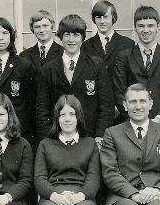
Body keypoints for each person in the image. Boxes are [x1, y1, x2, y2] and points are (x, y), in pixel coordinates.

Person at [36, 14, 114, 144]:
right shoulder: (48, 69)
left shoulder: (96, 65)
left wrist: (100, 136)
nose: (71, 40)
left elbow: (106, 105)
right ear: (60, 37)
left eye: (76, 35)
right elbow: (42, 110)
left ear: (83, 38)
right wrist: (49, 140)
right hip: (58, 140)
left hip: (90, 138)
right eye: (67, 35)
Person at [113, 6, 160, 127]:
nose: (146, 30)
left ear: (158, 27)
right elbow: (119, 92)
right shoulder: (124, 57)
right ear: (135, 28)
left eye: (150, 25)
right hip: (131, 123)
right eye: (141, 26)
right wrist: (135, 118)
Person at [82, 0, 135, 125]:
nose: (102, 21)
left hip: (122, 108)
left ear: (113, 18)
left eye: (106, 17)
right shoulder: (86, 46)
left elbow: (131, 77)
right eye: (98, 17)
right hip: (96, 108)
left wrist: (122, 105)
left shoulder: (127, 44)